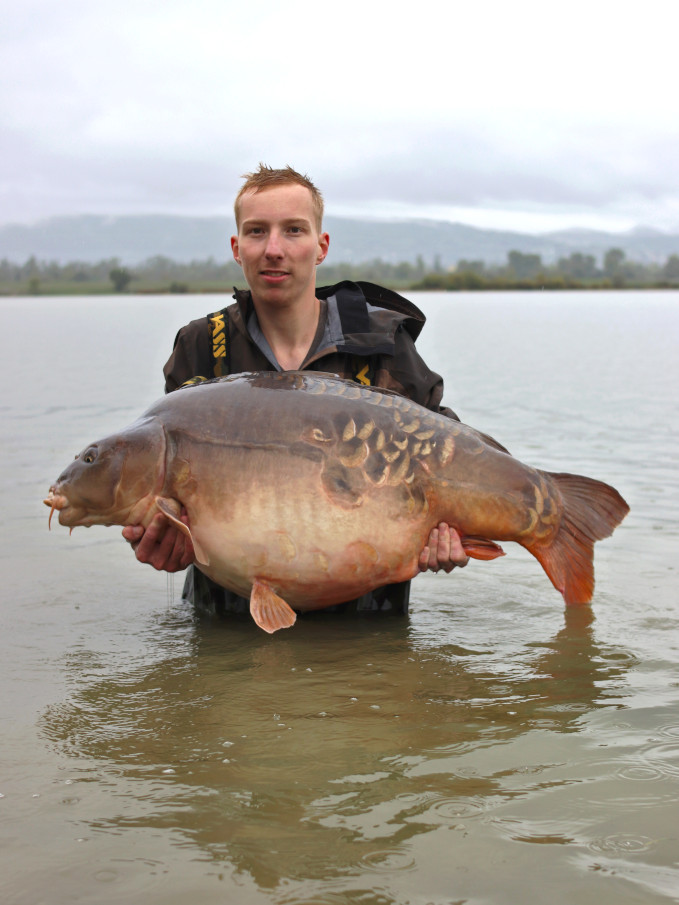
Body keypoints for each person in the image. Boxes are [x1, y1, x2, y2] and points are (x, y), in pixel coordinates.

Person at [123, 165, 469, 617]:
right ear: (236, 247)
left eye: (293, 231)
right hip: (228, 624)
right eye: (256, 232)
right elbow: (169, 499)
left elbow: (447, 448)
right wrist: (166, 540)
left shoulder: (380, 343)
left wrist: (452, 532)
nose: (273, 250)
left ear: (321, 246)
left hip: (367, 624)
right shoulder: (202, 347)